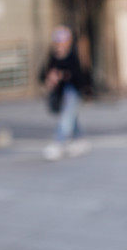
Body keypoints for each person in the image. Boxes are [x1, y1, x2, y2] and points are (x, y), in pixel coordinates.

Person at [39, 25, 91, 161]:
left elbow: (81, 75)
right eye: (58, 42)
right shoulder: (53, 57)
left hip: (74, 91)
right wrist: (49, 77)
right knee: (71, 116)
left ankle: (58, 142)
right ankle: (80, 139)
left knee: (67, 116)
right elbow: (42, 74)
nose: (60, 45)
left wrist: (63, 75)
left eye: (63, 42)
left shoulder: (74, 55)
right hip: (61, 93)